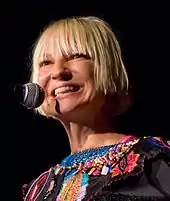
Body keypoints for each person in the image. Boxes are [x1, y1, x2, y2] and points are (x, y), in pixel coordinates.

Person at [22, 16, 170, 201]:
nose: (58, 72)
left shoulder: (148, 159)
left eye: (76, 56)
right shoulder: (39, 187)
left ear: (107, 69)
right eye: (46, 63)